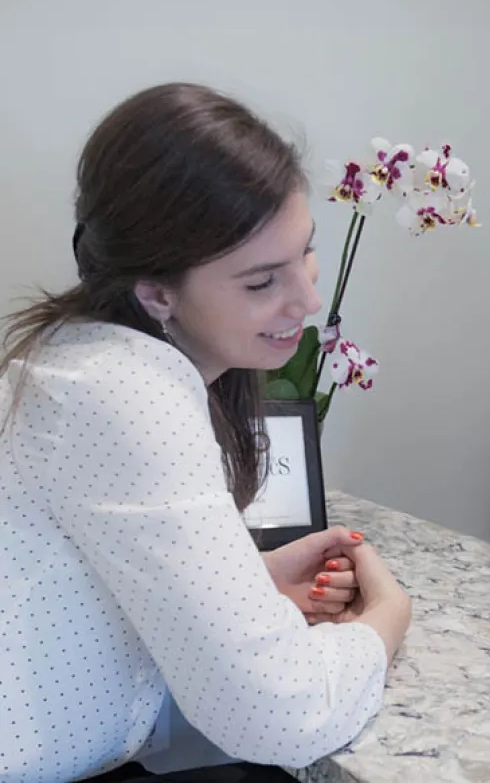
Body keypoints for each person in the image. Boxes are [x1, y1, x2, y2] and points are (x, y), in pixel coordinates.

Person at [0, 83, 412, 783]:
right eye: (261, 282)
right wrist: (385, 624)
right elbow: (276, 715)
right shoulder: (127, 392)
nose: (309, 300)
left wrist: (244, 583)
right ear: (156, 292)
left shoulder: (76, 359)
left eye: (306, 253)